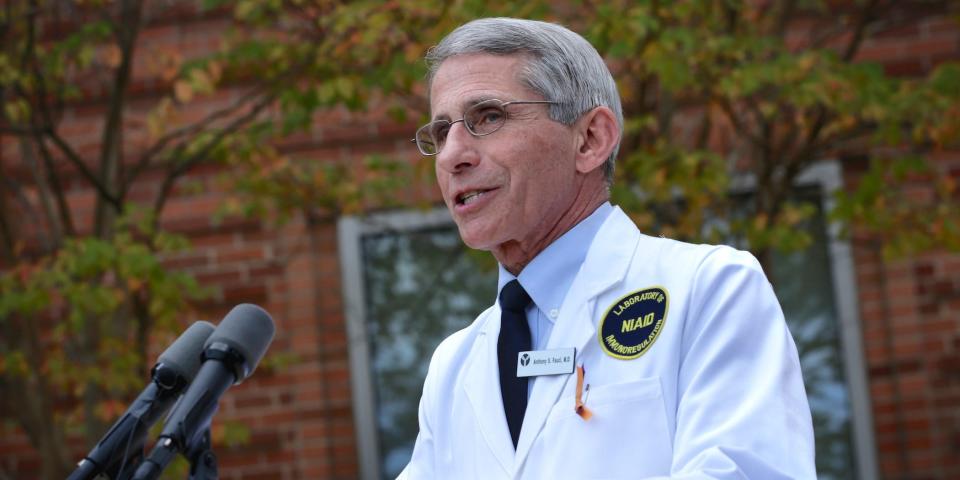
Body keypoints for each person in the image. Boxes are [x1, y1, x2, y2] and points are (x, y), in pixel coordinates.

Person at [399, 17, 815, 479]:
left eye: (489, 117)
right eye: (440, 133)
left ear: (591, 139)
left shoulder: (709, 289)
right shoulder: (452, 366)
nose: (454, 155)